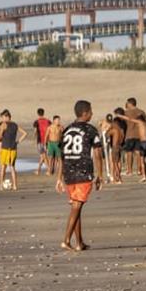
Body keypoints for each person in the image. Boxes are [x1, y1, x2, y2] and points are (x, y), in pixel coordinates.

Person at [55, 99, 104, 252]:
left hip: (68, 172)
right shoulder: (90, 130)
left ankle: (79, 242)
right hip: (83, 171)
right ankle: (66, 240)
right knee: (77, 206)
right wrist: (100, 174)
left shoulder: (67, 129)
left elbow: (61, 156)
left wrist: (59, 177)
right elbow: (97, 152)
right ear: (85, 113)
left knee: (77, 206)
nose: (92, 113)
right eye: (91, 111)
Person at [0, 109, 28, 191]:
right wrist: (17, 142)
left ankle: (1, 186)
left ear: (7, 117)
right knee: (12, 167)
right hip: (13, 148)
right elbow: (25, 133)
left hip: (5, 148)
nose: (2, 119)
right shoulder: (15, 125)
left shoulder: (3, 125)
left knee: (2, 167)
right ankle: (15, 186)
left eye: (3, 117)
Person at [121, 97, 146, 176]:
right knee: (138, 152)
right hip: (139, 135)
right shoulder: (141, 112)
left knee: (129, 153)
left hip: (130, 134)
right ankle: (139, 170)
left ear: (130, 103)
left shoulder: (126, 113)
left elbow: (123, 124)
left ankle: (129, 170)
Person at [105, 110, 125, 184]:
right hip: (119, 146)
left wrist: (108, 130)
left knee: (115, 163)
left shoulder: (114, 129)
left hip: (115, 147)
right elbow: (122, 137)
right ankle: (117, 177)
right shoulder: (120, 129)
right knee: (118, 162)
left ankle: (118, 178)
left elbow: (107, 134)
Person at [33, 108, 52, 176]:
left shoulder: (36, 122)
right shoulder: (48, 121)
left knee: (43, 155)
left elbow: (35, 131)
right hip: (47, 140)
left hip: (40, 140)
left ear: (38, 113)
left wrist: (34, 136)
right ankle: (38, 170)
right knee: (42, 156)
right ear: (43, 113)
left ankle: (49, 170)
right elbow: (50, 130)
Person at [45, 115, 64, 179]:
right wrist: (45, 144)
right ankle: (49, 170)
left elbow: (64, 135)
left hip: (58, 143)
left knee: (59, 158)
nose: (58, 121)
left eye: (59, 120)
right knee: (51, 158)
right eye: (57, 120)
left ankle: (59, 171)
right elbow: (46, 136)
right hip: (51, 143)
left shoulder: (61, 127)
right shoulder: (49, 127)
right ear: (54, 121)